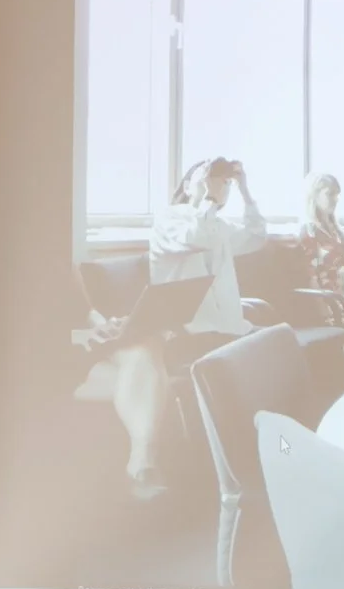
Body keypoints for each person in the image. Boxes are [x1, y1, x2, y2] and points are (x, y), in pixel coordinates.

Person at [113, 155, 268, 499]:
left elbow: (257, 236)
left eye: (224, 181)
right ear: (189, 185)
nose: (220, 187)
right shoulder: (171, 218)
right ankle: (236, 467)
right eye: (214, 180)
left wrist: (244, 189)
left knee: (274, 347)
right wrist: (203, 197)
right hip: (185, 335)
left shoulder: (218, 224)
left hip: (224, 329)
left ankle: (273, 454)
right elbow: (195, 236)